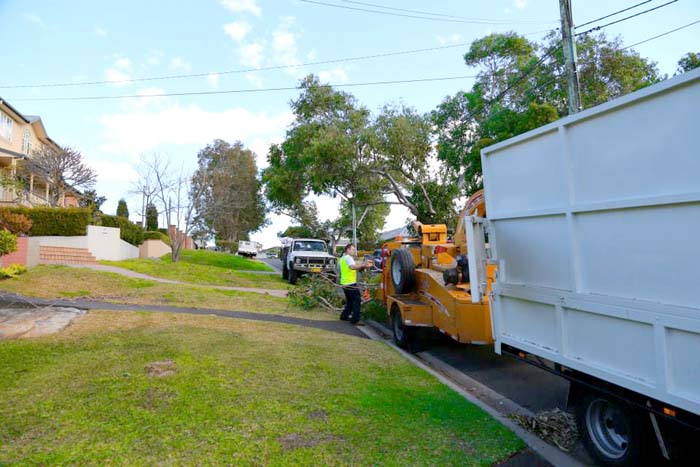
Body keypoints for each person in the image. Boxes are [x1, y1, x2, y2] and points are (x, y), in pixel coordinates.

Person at [338, 244, 373, 325]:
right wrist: (364, 264)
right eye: (352, 249)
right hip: (350, 283)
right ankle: (355, 320)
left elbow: (351, 269)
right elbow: (352, 267)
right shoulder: (348, 258)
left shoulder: (342, 258)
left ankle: (344, 316)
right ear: (347, 250)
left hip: (344, 283)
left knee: (350, 301)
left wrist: (362, 266)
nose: (354, 251)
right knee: (357, 300)